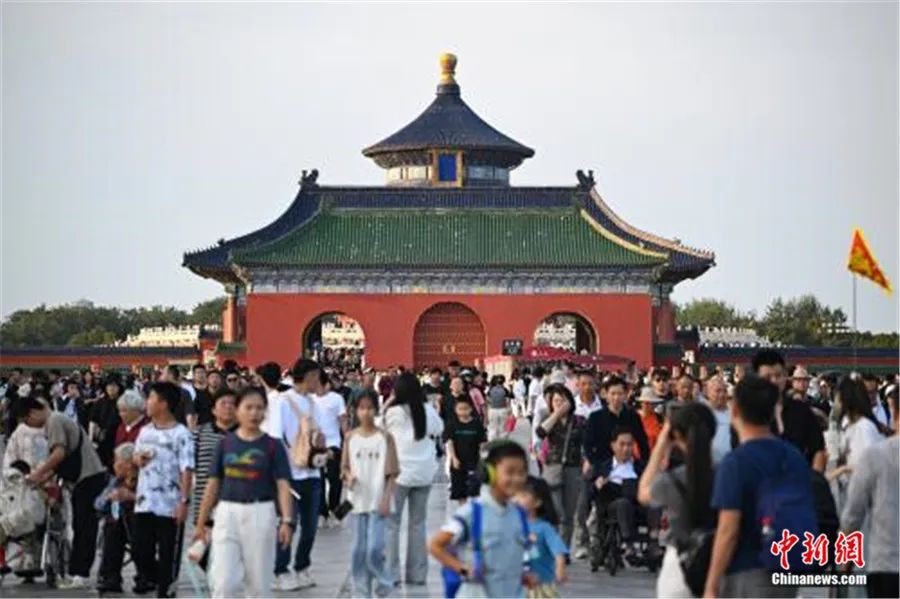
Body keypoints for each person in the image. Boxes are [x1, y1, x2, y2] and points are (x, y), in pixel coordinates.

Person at [703, 374, 815, 598]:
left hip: (747, 571)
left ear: (735, 410)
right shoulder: (794, 457)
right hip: (785, 569)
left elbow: (728, 529)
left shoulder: (736, 462)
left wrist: (711, 584)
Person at [190, 387, 293, 598]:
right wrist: (200, 523)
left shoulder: (273, 446)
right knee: (223, 582)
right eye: (249, 407)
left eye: (259, 408)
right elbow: (212, 484)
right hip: (227, 513)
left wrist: (287, 520)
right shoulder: (225, 444)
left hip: (261, 512)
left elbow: (283, 485)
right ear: (238, 410)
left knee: (258, 584)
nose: (254, 413)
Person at [21, 393, 108, 589]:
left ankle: (80, 574)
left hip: (88, 477)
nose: (29, 425)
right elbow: (61, 458)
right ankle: (77, 572)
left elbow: (59, 453)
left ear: (33, 412)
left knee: (84, 527)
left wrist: (37, 474)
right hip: (84, 479)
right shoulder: (56, 421)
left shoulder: (54, 420)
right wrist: (42, 478)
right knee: (81, 526)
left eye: (27, 420)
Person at [429, 440, 532, 598]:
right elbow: (435, 545)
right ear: (489, 473)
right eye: (510, 472)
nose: (517, 479)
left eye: (521, 472)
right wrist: (463, 569)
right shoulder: (472, 512)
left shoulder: (519, 514)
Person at [638, 403, 716, 598]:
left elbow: (643, 493)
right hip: (719, 561)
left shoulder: (672, 480)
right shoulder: (727, 474)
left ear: (676, 435)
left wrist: (662, 444)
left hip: (680, 563)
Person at [133, 382, 195, 598]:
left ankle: (166, 590)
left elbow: (187, 469)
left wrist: (184, 501)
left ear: (164, 404)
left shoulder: (181, 434)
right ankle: (158, 579)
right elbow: (135, 456)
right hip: (144, 502)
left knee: (168, 553)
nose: (147, 403)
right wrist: (137, 459)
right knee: (140, 551)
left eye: (151, 398)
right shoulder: (145, 431)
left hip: (170, 505)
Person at [269, 358, 326, 591]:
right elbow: (275, 437)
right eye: (316, 377)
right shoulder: (282, 402)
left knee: (310, 526)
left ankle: (302, 567)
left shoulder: (313, 403)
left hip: (312, 473)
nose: (318, 382)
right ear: (307, 376)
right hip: (289, 475)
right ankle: (280, 571)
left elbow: (320, 434)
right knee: (288, 523)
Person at [384, 372, 444, 586]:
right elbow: (439, 429)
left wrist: (388, 402)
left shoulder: (394, 412)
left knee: (392, 525)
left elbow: (377, 427)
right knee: (418, 524)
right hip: (424, 473)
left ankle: (391, 574)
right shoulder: (427, 410)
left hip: (399, 474)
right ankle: (417, 574)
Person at [841, 385, 899, 599]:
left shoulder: (875, 454)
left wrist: (844, 559)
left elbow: (852, 515)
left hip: (886, 562)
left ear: (894, 412)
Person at [341, 390, 400, 598]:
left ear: (376, 410)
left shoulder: (385, 438)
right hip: (356, 502)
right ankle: (361, 592)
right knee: (358, 550)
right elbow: (344, 468)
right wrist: (349, 477)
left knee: (374, 548)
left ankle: (384, 580)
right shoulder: (350, 438)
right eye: (361, 408)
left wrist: (386, 499)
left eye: (370, 408)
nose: (366, 412)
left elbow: (392, 473)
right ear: (355, 411)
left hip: (378, 501)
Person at [753, 349, 827, 473]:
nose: (773, 381)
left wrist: (815, 479)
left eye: (778, 376)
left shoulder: (802, 410)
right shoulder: (748, 413)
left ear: (785, 377)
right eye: (767, 377)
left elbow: (818, 450)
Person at [536, 383, 586, 548]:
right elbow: (540, 432)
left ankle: (563, 549)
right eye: (555, 401)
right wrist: (556, 414)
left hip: (573, 468)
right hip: (552, 468)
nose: (559, 404)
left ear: (570, 401)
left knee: (569, 514)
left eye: (562, 400)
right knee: (556, 510)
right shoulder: (548, 419)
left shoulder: (579, 421)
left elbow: (587, 443)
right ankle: (551, 544)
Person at [590, 428, 647, 564]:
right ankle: (628, 544)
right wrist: (598, 485)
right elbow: (590, 493)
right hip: (612, 505)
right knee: (623, 503)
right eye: (622, 444)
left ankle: (653, 541)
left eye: (629, 445)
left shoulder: (640, 466)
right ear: (613, 445)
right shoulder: (603, 467)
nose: (626, 449)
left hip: (636, 503)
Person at [95, 442, 142, 594]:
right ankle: (111, 577)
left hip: (141, 523)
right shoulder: (115, 482)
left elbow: (151, 500)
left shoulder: (144, 480)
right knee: (112, 528)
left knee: (129, 527)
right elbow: (98, 504)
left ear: (128, 464)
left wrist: (131, 496)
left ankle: (144, 575)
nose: (114, 465)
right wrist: (109, 497)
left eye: (117, 461)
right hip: (120, 524)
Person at [192, 389, 237, 541]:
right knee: (203, 549)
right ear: (213, 410)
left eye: (232, 404)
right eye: (223, 403)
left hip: (235, 506)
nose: (228, 407)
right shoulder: (200, 432)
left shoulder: (245, 435)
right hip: (204, 504)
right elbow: (190, 464)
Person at [515, 476, 568, 598]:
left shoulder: (544, 528)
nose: (516, 500)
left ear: (537, 502)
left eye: (523, 495)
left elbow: (558, 550)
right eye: (514, 495)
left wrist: (560, 567)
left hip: (541, 585)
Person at [583, 376, 649, 469]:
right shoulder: (595, 417)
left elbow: (643, 442)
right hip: (603, 465)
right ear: (606, 395)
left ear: (625, 395)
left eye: (620, 394)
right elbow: (587, 445)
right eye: (613, 394)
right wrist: (596, 465)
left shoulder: (633, 416)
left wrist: (642, 464)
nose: (616, 397)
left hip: (628, 465)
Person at [827, 376, 883, 485]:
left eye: (837, 397)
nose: (836, 402)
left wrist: (842, 470)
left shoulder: (864, 427)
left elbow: (869, 468)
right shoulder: (846, 423)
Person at [314, 369, 348, 527]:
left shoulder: (336, 399)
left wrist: (348, 441)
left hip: (333, 444)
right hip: (315, 446)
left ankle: (336, 510)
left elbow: (343, 421)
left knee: (335, 480)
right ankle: (322, 512)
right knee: (318, 480)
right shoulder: (309, 399)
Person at [444, 397, 487, 505]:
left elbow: (482, 443)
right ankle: (463, 509)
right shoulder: (452, 424)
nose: (463, 411)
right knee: (460, 490)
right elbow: (450, 442)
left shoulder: (477, 424)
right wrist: (454, 458)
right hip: (458, 460)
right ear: (455, 410)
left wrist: (483, 459)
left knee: (474, 489)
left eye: (465, 408)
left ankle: (472, 510)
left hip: (474, 460)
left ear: (471, 409)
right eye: (460, 409)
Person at [90, 375, 124, 470]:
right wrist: (91, 439)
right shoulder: (100, 402)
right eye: (108, 385)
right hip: (101, 439)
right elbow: (93, 420)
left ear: (119, 387)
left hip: (117, 438)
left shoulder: (123, 402)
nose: (111, 388)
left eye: (114, 385)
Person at [705, 376, 733, 464]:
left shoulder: (734, 414)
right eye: (718, 391)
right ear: (708, 393)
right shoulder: (702, 413)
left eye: (724, 391)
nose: (722, 395)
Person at [485, 375, 511, 441]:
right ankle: (502, 442)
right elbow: (508, 400)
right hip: (503, 409)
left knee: (493, 427)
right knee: (503, 427)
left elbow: (487, 398)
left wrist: (492, 402)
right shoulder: (505, 389)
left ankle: (492, 441)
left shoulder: (491, 389)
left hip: (493, 410)